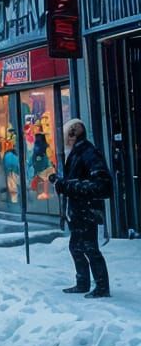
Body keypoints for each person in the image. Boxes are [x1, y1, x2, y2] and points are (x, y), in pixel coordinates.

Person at [54, 119, 112, 298]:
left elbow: (102, 185)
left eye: (67, 134)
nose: (64, 139)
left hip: (87, 210)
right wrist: (60, 182)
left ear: (72, 135)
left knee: (90, 248)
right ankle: (83, 282)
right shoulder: (77, 153)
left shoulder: (88, 153)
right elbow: (77, 180)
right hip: (79, 210)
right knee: (76, 247)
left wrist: (68, 186)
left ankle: (102, 287)